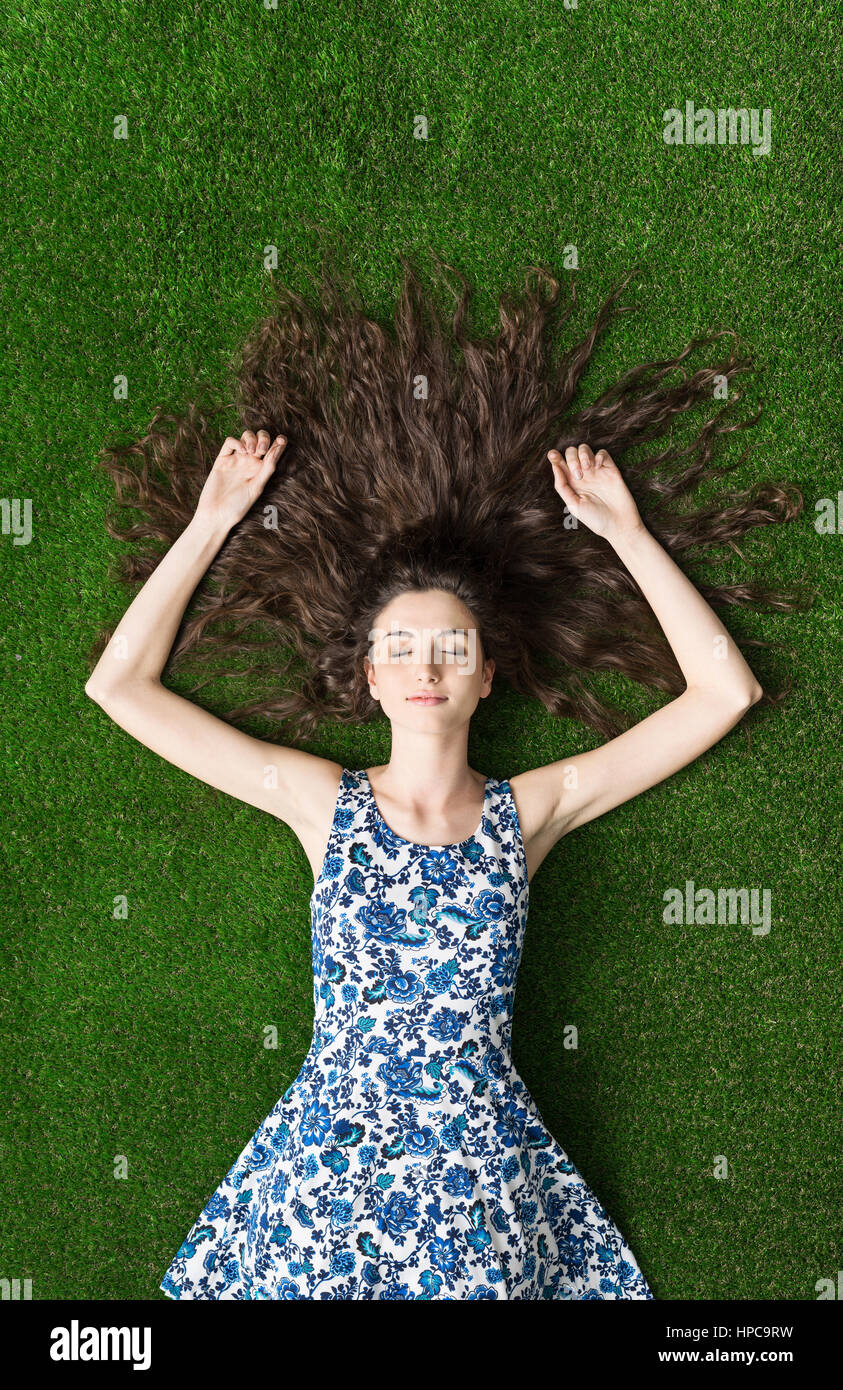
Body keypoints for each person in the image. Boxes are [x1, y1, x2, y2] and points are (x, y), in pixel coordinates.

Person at [84, 255, 806, 1298]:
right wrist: (212, 521)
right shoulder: (320, 802)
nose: (428, 668)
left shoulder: (535, 810)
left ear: (488, 676)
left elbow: (723, 693)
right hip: (324, 1185)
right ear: (370, 674)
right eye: (404, 649)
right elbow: (122, 687)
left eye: (453, 650)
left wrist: (628, 533)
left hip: (479, 1194)